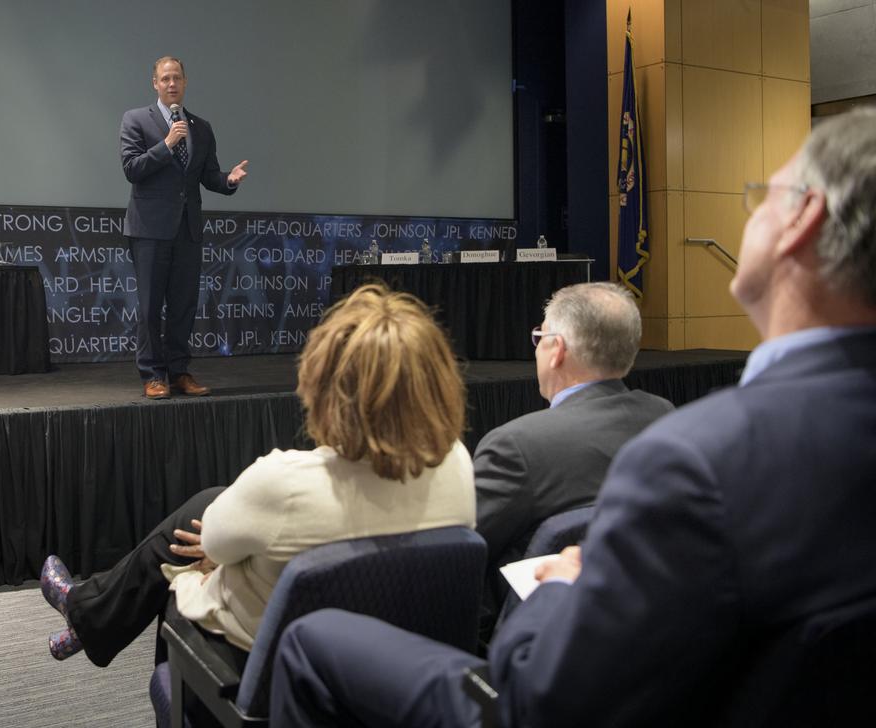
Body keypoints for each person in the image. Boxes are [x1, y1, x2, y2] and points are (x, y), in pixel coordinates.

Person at [269, 107, 876, 727]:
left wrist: (558, 586)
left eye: (762, 197)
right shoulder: (692, 426)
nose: (750, 214)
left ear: (802, 219)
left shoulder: (694, 457)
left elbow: (541, 703)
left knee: (312, 638)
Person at [37, 283, 475, 682]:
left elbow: (216, 548)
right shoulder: (458, 462)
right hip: (404, 668)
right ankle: (86, 615)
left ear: (323, 389)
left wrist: (224, 560)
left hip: (285, 676)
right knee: (208, 505)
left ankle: (93, 619)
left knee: (184, 563)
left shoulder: (284, 481)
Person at [474, 282, 672, 632]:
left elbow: (463, 553)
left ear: (557, 349)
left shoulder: (516, 446)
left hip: (542, 637)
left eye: (539, 337)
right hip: (650, 622)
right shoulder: (663, 416)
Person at [121, 55, 249, 399]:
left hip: (187, 230)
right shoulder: (135, 120)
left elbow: (209, 176)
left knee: (183, 305)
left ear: (185, 82)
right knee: (150, 306)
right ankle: (153, 375)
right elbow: (132, 169)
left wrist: (229, 180)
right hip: (149, 230)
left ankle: (178, 372)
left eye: (177, 77)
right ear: (155, 84)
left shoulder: (201, 127)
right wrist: (166, 145)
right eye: (165, 78)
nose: (171, 83)